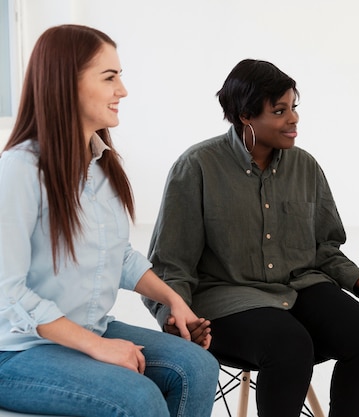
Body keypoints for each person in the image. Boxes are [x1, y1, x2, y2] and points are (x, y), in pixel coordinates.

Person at [143, 58, 359, 417]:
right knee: (289, 346)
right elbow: (171, 263)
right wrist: (174, 316)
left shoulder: (305, 166)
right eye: (279, 110)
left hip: (299, 284)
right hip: (226, 295)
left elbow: (324, 248)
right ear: (246, 115)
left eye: (293, 108)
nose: (293, 119)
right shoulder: (196, 166)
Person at [0, 24, 218, 417]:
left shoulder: (101, 165)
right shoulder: (20, 169)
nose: (123, 90)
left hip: (89, 330)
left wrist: (172, 300)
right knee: (138, 397)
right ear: (67, 82)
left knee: (198, 367)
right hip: (16, 351)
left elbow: (119, 256)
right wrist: (96, 346)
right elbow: (8, 291)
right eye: (109, 77)